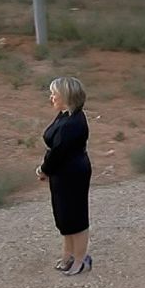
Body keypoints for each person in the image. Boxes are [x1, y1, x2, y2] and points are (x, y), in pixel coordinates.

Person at [36, 76, 93, 276]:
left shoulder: (72, 123)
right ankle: (68, 254)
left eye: (55, 94)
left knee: (75, 215)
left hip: (72, 172)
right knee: (64, 215)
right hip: (63, 171)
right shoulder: (66, 115)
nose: (51, 97)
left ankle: (80, 259)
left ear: (67, 97)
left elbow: (58, 152)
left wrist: (44, 169)